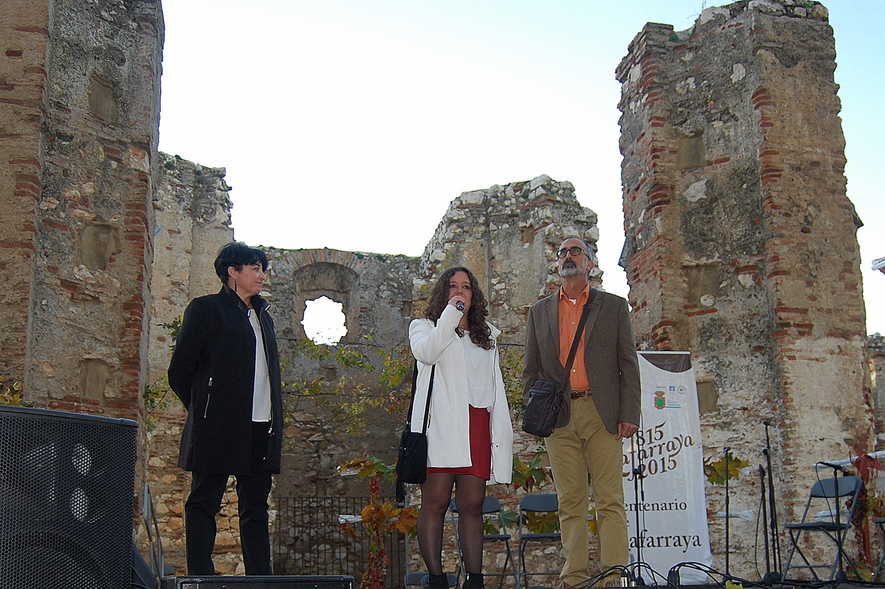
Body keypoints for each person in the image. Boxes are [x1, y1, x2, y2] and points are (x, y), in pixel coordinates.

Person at [522, 237, 640, 588]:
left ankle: (613, 576)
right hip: (559, 416)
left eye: (576, 252)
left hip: (603, 413)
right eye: (562, 253)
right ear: (557, 264)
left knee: (609, 500)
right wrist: (535, 406)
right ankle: (574, 578)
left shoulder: (614, 306)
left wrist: (629, 412)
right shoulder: (539, 312)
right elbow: (531, 369)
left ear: (589, 263)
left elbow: (627, 363)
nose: (568, 257)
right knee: (570, 501)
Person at [168, 241, 283, 575]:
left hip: (261, 424)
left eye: (263, 269)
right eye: (255, 268)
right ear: (232, 271)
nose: (262, 275)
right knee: (204, 500)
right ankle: (200, 575)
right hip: (216, 424)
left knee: (255, 506)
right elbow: (180, 371)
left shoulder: (264, 317)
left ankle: (260, 578)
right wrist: (205, 409)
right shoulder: (205, 309)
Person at [409, 266, 514, 589]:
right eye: (453, 286)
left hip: (476, 424)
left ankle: (475, 580)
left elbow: (493, 386)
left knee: (472, 505)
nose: (459, 292)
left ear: (474, 294)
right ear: (443, 292)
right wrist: (450, 316)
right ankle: (437, 579)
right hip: (441, 426)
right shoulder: (425, 327)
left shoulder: (487, 336)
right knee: (436, 502)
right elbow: (426, 354)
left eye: (466, 287)